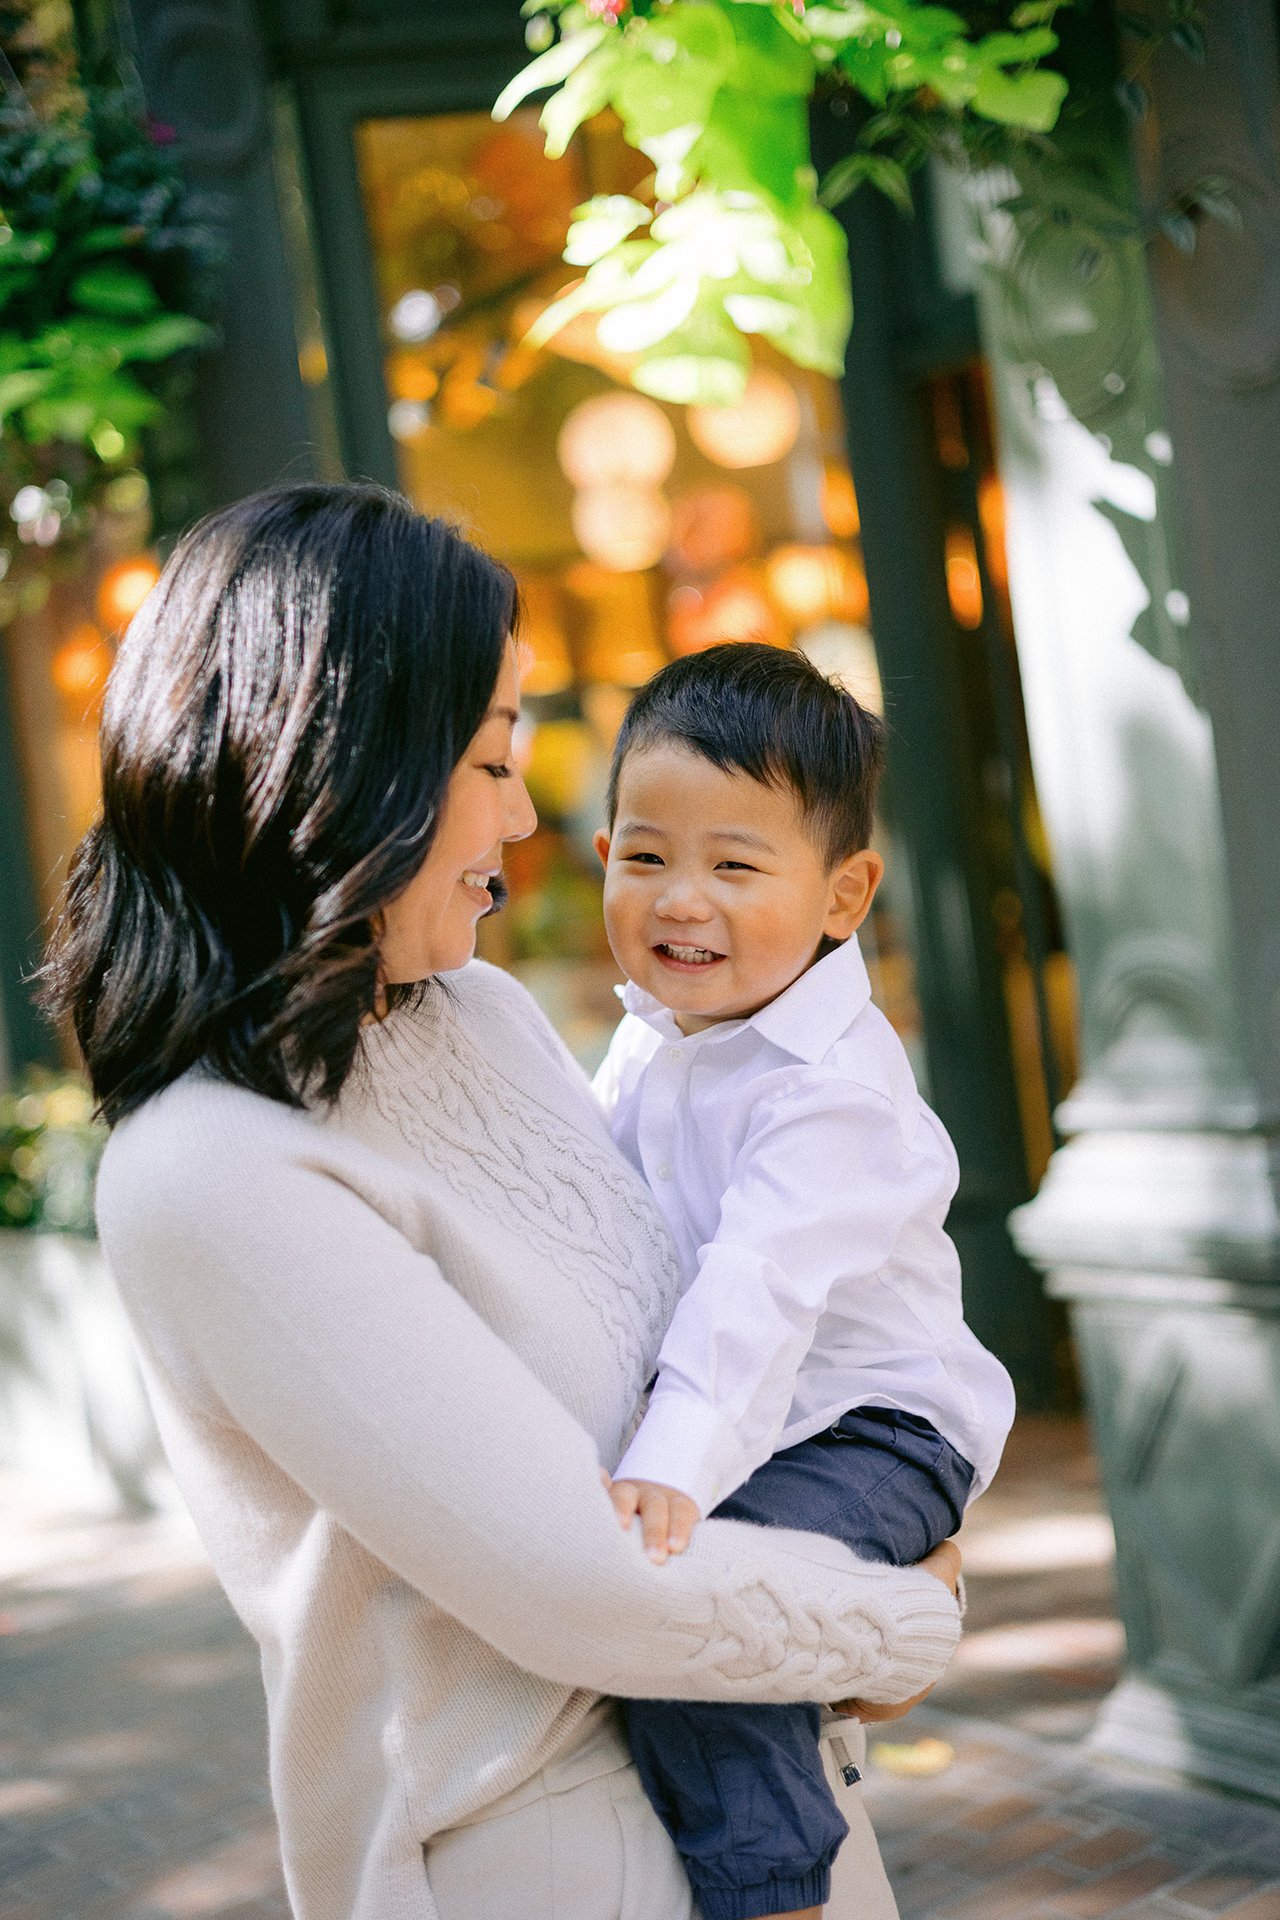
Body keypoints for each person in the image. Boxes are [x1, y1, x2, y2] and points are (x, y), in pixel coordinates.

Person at [43, 484, 962, 1920]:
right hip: (540, 1851)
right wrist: (911, 1615)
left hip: (773, 1785)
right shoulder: (212, 1171)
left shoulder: (485, 1015)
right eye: (487, 758)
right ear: (345, 770)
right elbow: (578, 1589)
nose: (531, 814)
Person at [590, 643, 1015, 1920]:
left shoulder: (828, 1088)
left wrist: (665, 1470)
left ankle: (780, 1895)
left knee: (700, 1623)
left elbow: (752, 1293)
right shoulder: (648, 1040)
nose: (680, 900)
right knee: (709, 1605)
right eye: (643, 855)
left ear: (844, 895)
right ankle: (899, 1612)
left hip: (877, 1428)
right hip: (765, 1426)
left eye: (733, 863)